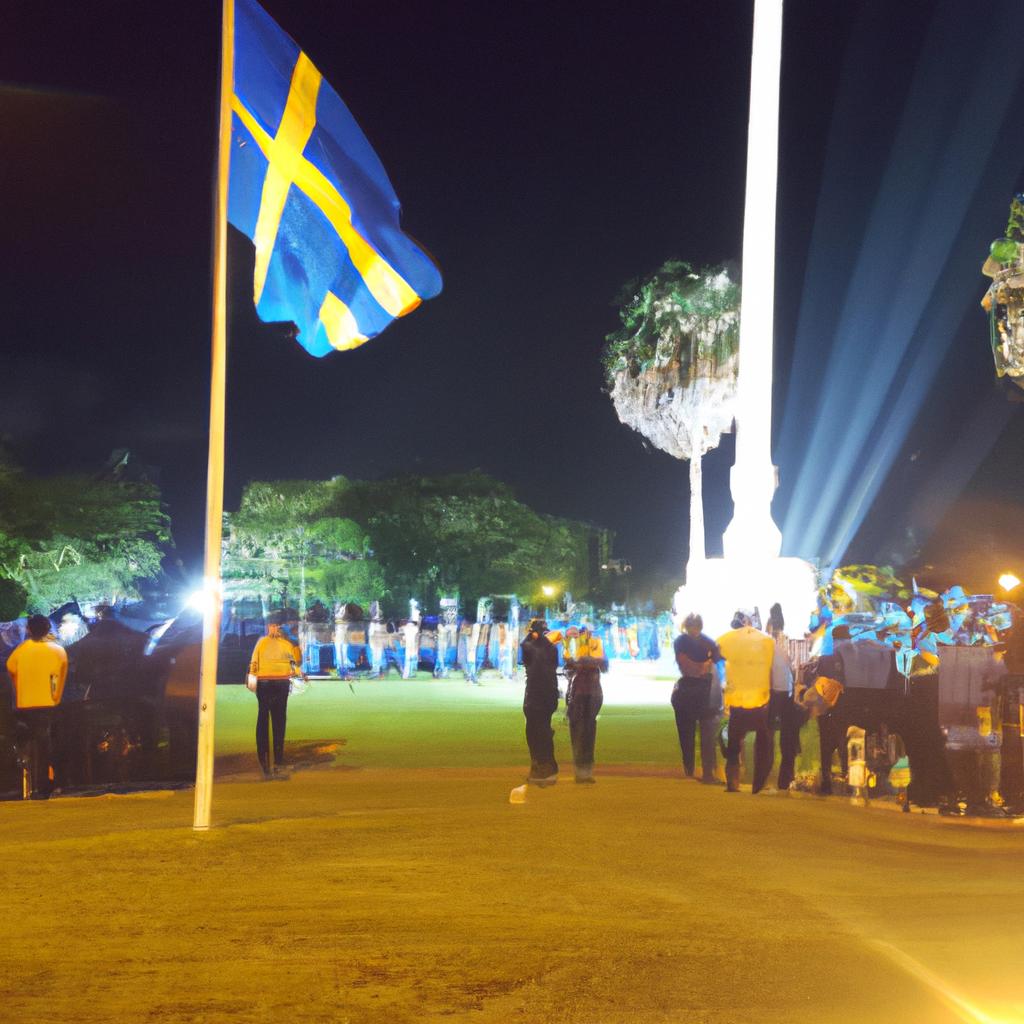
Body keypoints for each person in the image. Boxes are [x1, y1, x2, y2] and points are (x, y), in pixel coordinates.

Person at [6, 614, 68, 798]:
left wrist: (20, 687)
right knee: (49, 742)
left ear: (28, 630)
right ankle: (53, 782)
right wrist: (56, 697)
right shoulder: (58, 651)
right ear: (48, 629)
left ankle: (37, 782)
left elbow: (11, 668)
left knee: (37, 743)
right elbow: (61, 677)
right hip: (49, 703)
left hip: (25, 705)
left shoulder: (21, 650)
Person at [717, 611, 775, 793]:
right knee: (763, 743)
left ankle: (732, 781)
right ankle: (758, 783)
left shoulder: (729, 643)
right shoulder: (765, 644)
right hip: (759, 701)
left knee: (734, 744)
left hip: (738, 702)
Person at [249, 615, 303, 778]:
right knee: (279, 719)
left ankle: (264, 759)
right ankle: (278, 758)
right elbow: (297, 662)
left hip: (264, 683)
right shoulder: (287, 644)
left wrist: (252, 680)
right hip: (280, 682)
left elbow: (253, 663)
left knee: (263, 718)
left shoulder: (261, 643)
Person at [671, 613, 723, 783]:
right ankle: (703, 771)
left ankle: (692, 770)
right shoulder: (709, 643)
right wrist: (703, 667)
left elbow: (686, 666)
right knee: (704, 734)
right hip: (703, 690)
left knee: (689, 733)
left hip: (691, 691)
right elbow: (703, 667)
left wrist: (700, 668)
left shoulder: (682, 642)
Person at [564, 624, 608, 783]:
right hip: (579, 694)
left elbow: (604, 665)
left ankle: (586, 771)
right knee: (579, 732)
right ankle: (581, 770)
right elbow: (570, 665)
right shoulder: (571, 648)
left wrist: (586, 659)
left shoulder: (595, 646)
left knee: (588, 731)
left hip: (591, 694)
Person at [519, 618, 560, 785]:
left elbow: (526, 648)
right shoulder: (550, 647)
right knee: (538, 731)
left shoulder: (539, 647)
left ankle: (544, 766)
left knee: (538, 732)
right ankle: (542, 765)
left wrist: (531, 635)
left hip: (539, 695)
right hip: (544, 694)